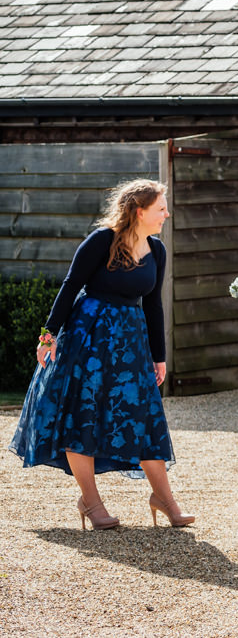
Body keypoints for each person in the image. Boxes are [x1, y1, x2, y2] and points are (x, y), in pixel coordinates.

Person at [11, 179, 194, 529]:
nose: (166, 214)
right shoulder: (101, 241)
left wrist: (159, 357)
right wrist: (47, 335)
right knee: (83, 413)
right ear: (139, 212)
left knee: (143, 414)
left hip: (131, 342)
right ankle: (91, 503)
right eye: (161, 209)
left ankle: (165, 500)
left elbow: (153, 305)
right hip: (89, 339)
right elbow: (70, 286)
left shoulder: (157, 250)